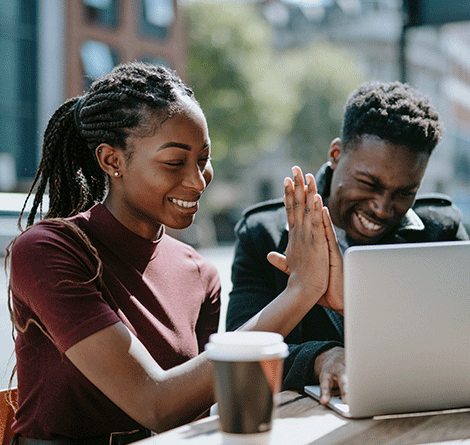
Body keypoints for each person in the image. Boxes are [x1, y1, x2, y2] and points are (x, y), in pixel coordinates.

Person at [6, 62, 341, 444]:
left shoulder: (200, 274)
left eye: (203, 159)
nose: (198, 181)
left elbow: (190, 418)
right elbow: (157, 404)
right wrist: (300, 292)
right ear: (111, 160)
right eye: (175, 162)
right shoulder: (49, 250)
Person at [226, 80, 469, 405]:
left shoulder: (441, 232)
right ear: (336, 154)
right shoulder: (264, 235)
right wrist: (320, 357)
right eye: (369, 183)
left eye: (404, 193)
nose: (382, 208)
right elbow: (238, 350)